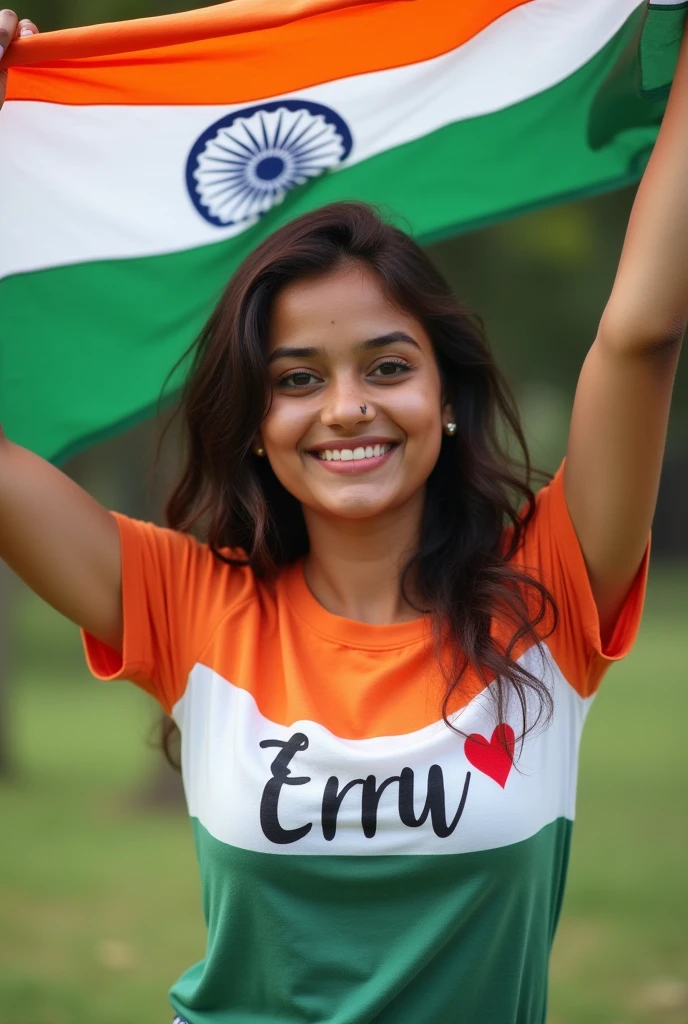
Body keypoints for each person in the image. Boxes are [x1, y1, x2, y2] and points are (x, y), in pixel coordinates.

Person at [1, 8, 685, 1023]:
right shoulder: (185, 601)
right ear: (254, 425)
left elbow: (636, 334)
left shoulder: (551, 586)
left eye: (388, 367)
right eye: (296, 379)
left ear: (444, 400)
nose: (348, 406)